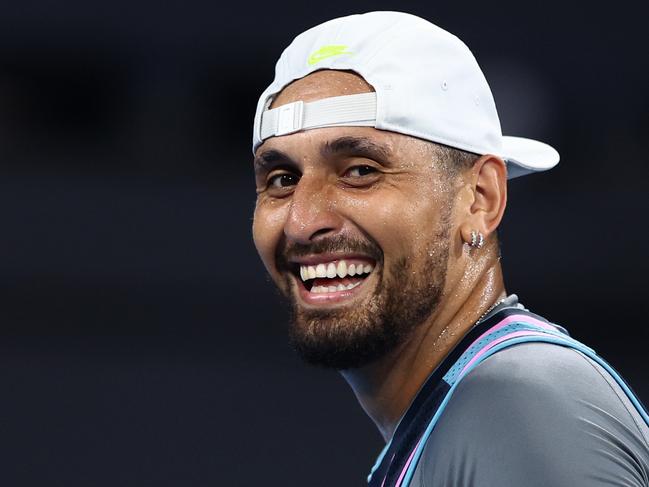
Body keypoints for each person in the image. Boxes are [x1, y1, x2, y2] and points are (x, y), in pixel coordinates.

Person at [250, 11, 649, 486]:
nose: (302, 221)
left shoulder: (517, 405)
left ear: (481, 199)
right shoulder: (462, 413)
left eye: (360, 170)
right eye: (282, 179)